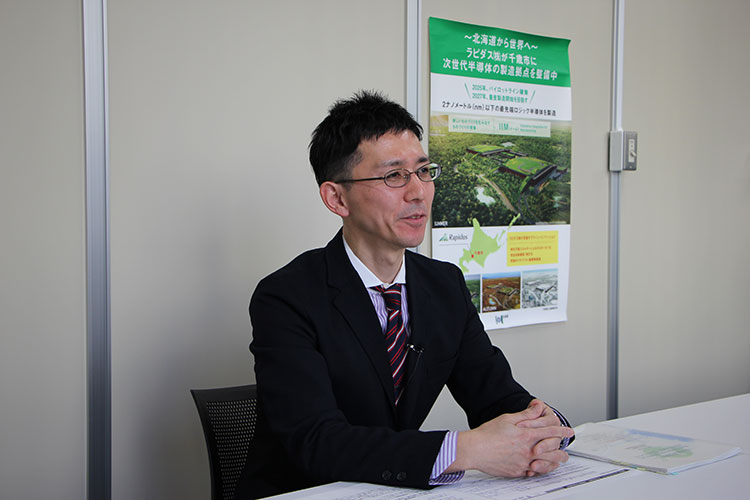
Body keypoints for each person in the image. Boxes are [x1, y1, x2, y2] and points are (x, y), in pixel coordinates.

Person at [237, 91, 574, 499]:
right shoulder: (286, 297)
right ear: (337, 198)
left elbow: (496, 396)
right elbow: (317, 441)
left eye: (424, 171)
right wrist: (469, 449)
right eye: (394, 176)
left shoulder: (444, 285)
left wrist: (544, 429)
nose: (419, 192)